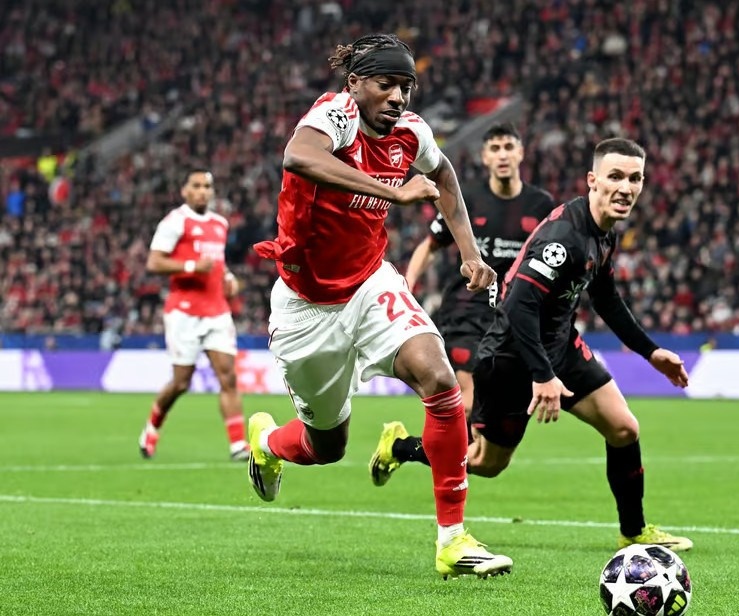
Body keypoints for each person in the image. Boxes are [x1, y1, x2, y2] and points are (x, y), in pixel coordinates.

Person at [249, 33, 511, 579]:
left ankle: (453, 540)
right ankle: (268, 443)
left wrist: (470, 253)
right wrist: (391, 191)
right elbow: (298, 156)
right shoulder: (335, 117)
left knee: (439, 377)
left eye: (406, 87)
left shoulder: (412, 133)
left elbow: (444, 176)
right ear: (355, 85)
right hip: (306, 306)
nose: (398, 97)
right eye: (386, 84)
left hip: (370, 283)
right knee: (326, 446)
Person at [373, 138, 694, 552]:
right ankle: (400, 447)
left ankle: (633, 531)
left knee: (624, 428)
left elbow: (606, 298)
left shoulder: (603, 233)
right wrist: (542, 376)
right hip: (511, 357)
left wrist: (651, 351)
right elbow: (517, 305)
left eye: (635, 179)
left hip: (561, 346)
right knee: (485, 462)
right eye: (615, 177)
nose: (625, 187)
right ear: (593, 181)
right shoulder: (564, 237)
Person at [370, 124, 553, 470]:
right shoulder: (466, 197)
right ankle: (443, 484)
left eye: (508, 147)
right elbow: (430, 245)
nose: (502, 154)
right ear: (485, 157)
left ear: (520, 153)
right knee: (466, 402)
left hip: (509, 322)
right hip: (464, 313)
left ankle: (402, 447)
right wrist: (406, 285)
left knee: (485, 459)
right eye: (495, 148)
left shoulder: (541, 204)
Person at [139, 170, 247, 460]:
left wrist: (229, 277)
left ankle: (238, 444)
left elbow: (218, 262)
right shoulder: (175, 221)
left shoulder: (220, 223)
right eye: (196, 186)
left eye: (207, 186)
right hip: (184, 312)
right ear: (185, 191)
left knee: (228, 377)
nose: (202, 191)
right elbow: (154, 262)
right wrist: (190, 267)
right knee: (180, 383)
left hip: (217, 310)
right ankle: (152, 427)